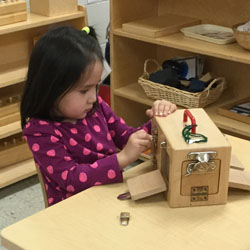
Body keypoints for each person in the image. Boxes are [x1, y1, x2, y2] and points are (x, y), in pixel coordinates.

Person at [20, 25, 177, 206]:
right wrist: (123, 158)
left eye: (95, 86)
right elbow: (71, 178)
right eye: (84, 90)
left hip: (109, 195)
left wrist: (157, 120)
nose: (93, 97)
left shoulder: (95, 107)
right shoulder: (39, 131)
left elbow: (127, 137)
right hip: (74, 208)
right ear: (52, 88)